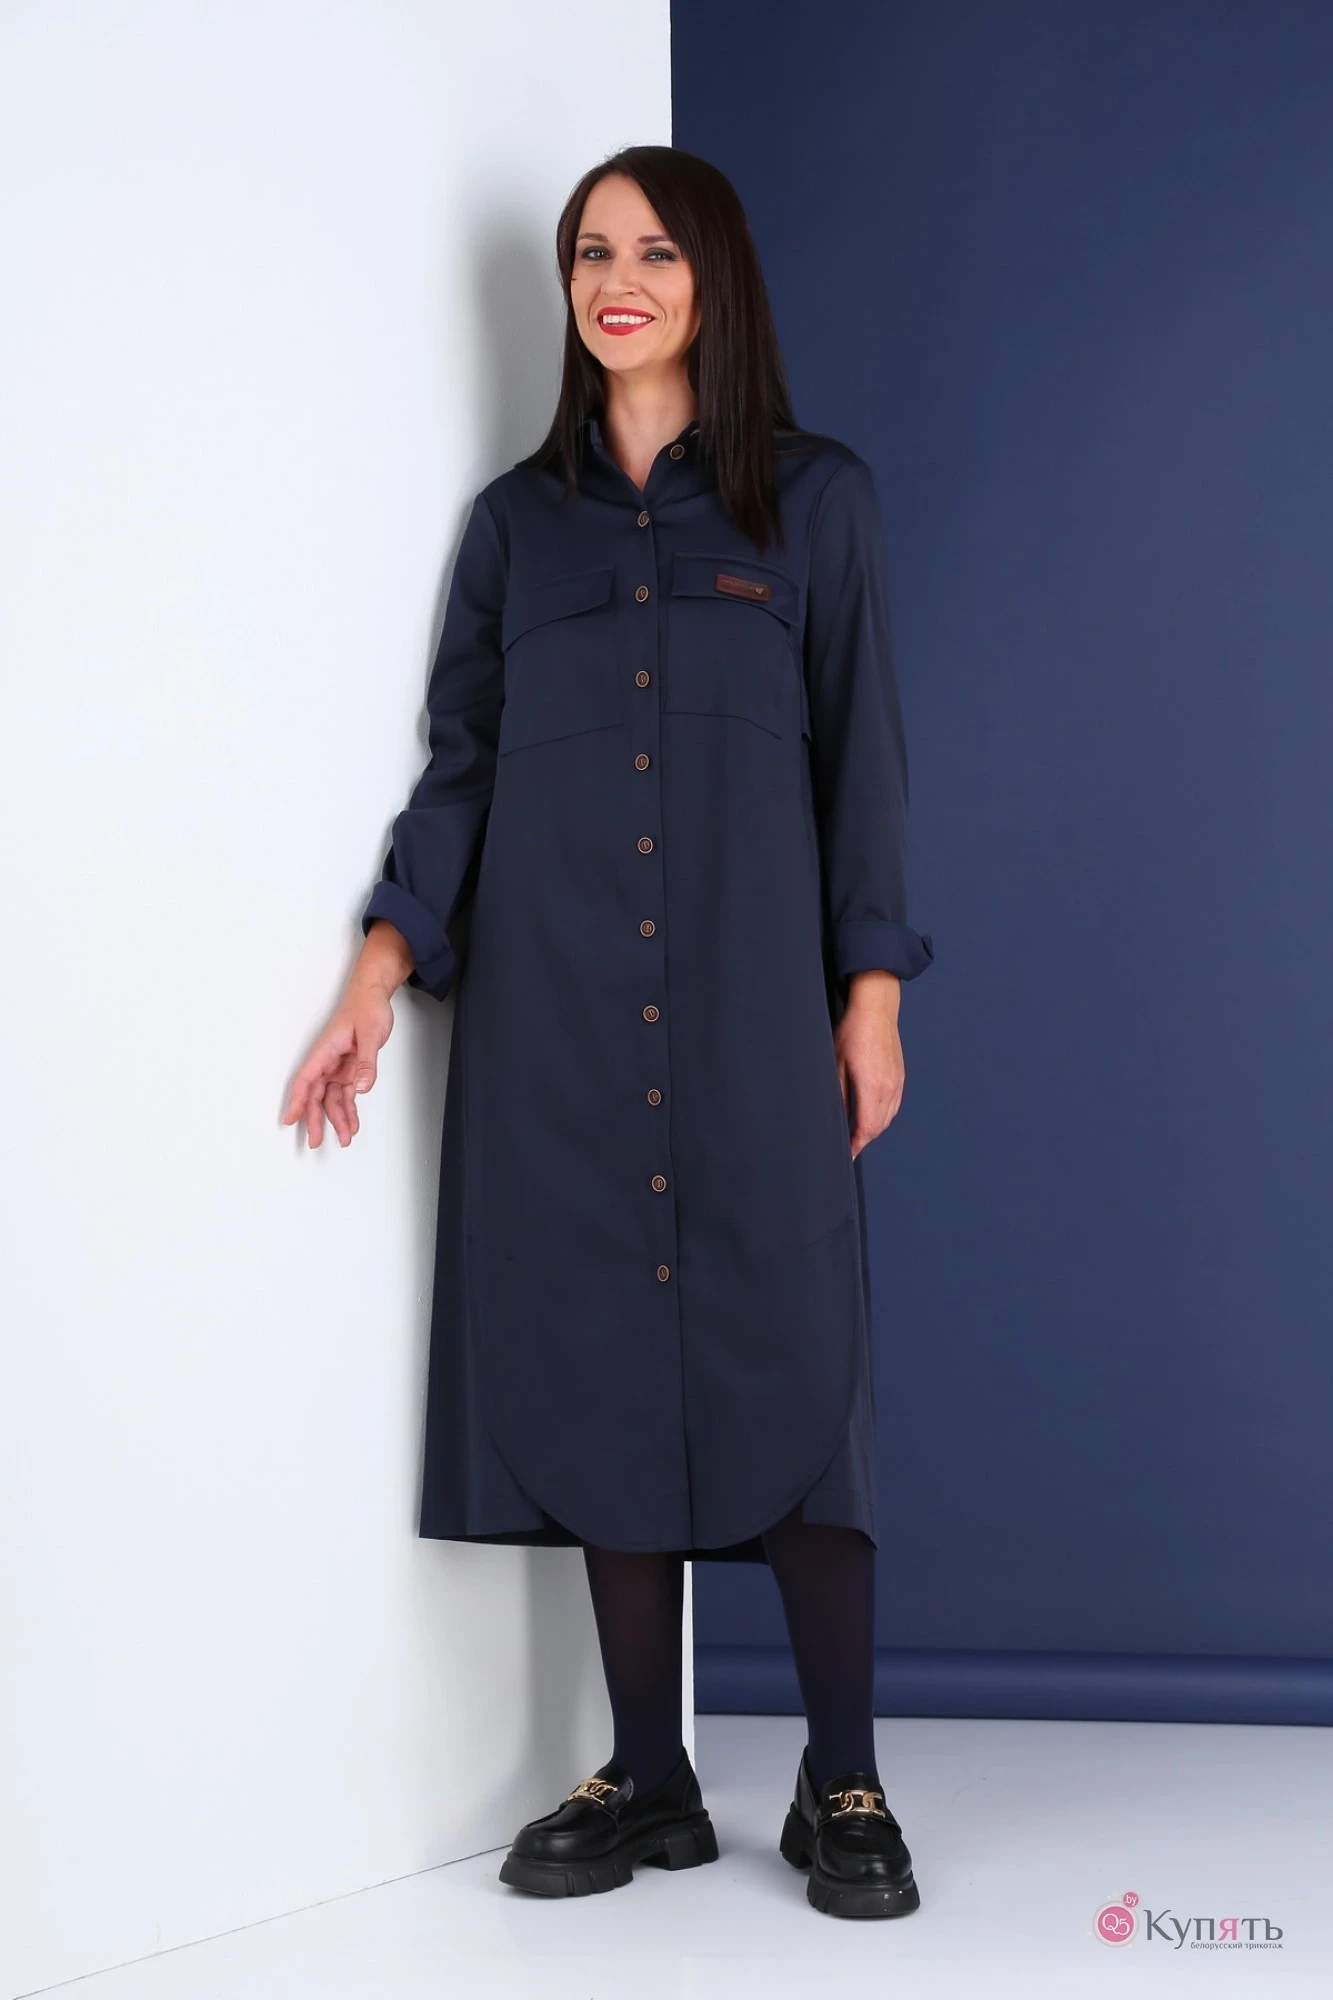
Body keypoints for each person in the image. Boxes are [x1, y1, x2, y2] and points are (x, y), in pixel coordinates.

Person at [282, 144, 934, 1920]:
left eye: (652, 251)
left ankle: (844, 1778)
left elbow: (864, 763)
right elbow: (463, 768)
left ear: (713, 276)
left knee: (799, 1361)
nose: (616, 282)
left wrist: (871, 995)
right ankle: (652, 1778)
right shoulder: (519, 527)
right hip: (556, 1022)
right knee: (599, 1366)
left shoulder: (818, 502)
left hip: (753, 1010)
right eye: (589, 254)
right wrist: (375, 972)